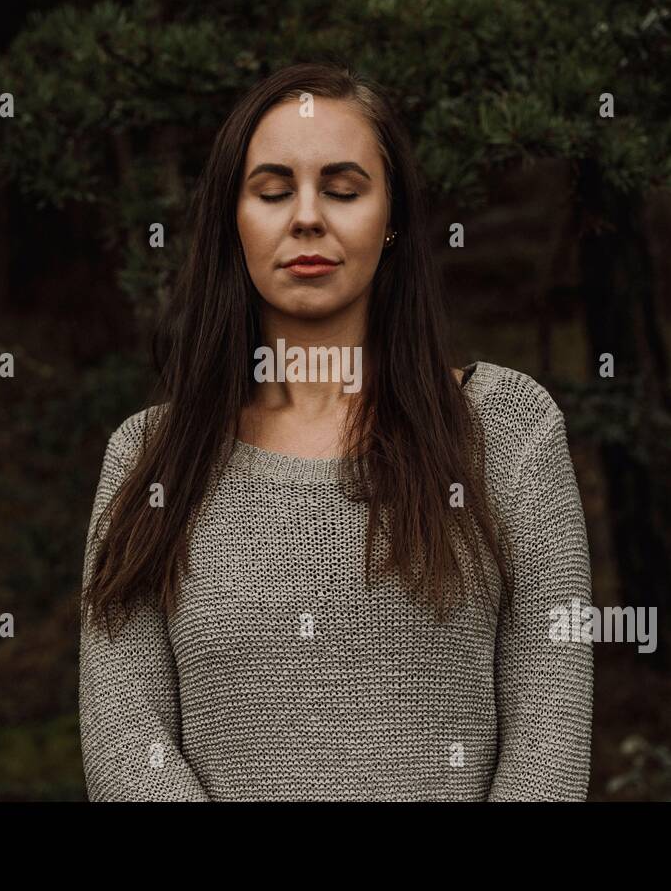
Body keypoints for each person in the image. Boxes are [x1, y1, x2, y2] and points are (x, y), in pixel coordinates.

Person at [79, 61, 593, 800]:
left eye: (344, 190)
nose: (308, 216)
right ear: (234, 220)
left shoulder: (509, 430)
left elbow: (553, 726)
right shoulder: (146, 459)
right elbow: (126, 737)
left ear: (392, 222)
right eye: (274, 191)